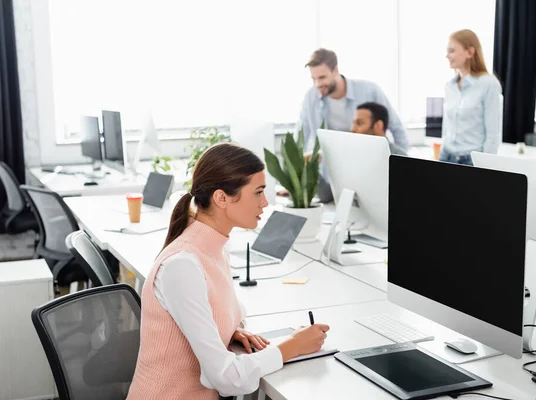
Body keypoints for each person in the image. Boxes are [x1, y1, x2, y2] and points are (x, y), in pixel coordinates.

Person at [127, 143, 330, 399]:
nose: (265, 202)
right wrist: (292, 346)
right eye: (258, 193)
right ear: (221, 198)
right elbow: (226, 378)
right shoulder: (182, 265)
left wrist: (226, 331)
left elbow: (218, 310)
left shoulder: (214, 247)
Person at [299, 48, 408, 202]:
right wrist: (294, 181)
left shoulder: (370, 90)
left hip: (367, 169)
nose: (318, 84)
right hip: (333, 171)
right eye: (313, 78)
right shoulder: (311, 97)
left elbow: (396, 129)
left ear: (335, 70)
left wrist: (403, 171)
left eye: (322, 77)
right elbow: (301, 136)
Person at [440, 29, 502, 166]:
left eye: (452, 51)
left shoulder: (489, 84)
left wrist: (486, 166)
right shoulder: (450, 86)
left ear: (470, 52)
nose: (447, 56)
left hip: (472, 161)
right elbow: (447, 128)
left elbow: (493, 134)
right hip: (447, 156)